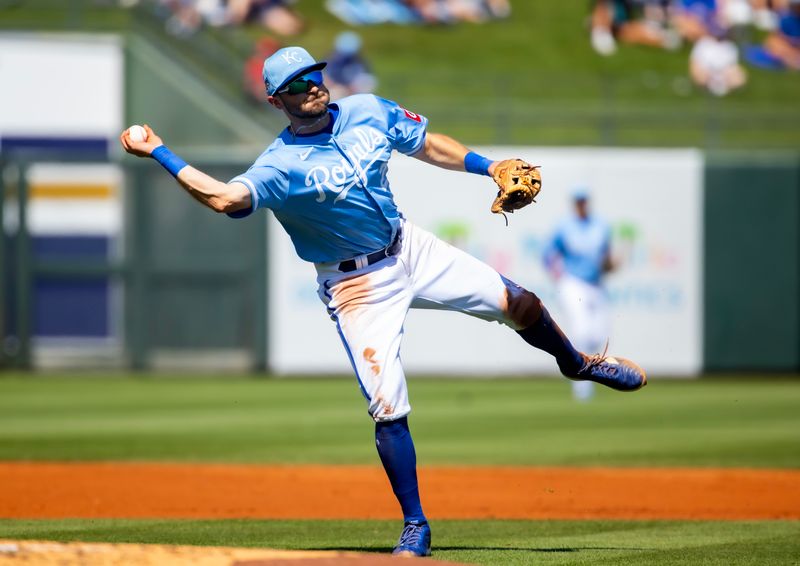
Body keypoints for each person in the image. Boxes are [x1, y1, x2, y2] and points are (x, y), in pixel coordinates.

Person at [120, 46, 647, 558]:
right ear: (276, 101)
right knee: (387, 404)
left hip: (408, 246)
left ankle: (577, 363)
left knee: (520, 302)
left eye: (314, 74)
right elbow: (224, 198)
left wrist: (488, 166)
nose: (312, 87)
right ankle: (416, 524)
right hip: (356, 285)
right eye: (296, 85)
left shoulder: (367, 110)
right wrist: (159, 151)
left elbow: (427, 144)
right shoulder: (279, 165)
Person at [543, 191, 616, 402]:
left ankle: (583, 371)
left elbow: (607, 260)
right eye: (578, 201)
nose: (581, 204)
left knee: (599, 336)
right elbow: (548, 254)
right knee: (582, 331)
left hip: (596, 283)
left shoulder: (601, 225)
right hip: (573, 282)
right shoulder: (564, 226)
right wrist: (557, 275)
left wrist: (612, 264)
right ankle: (582, 388)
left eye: (584, 201)